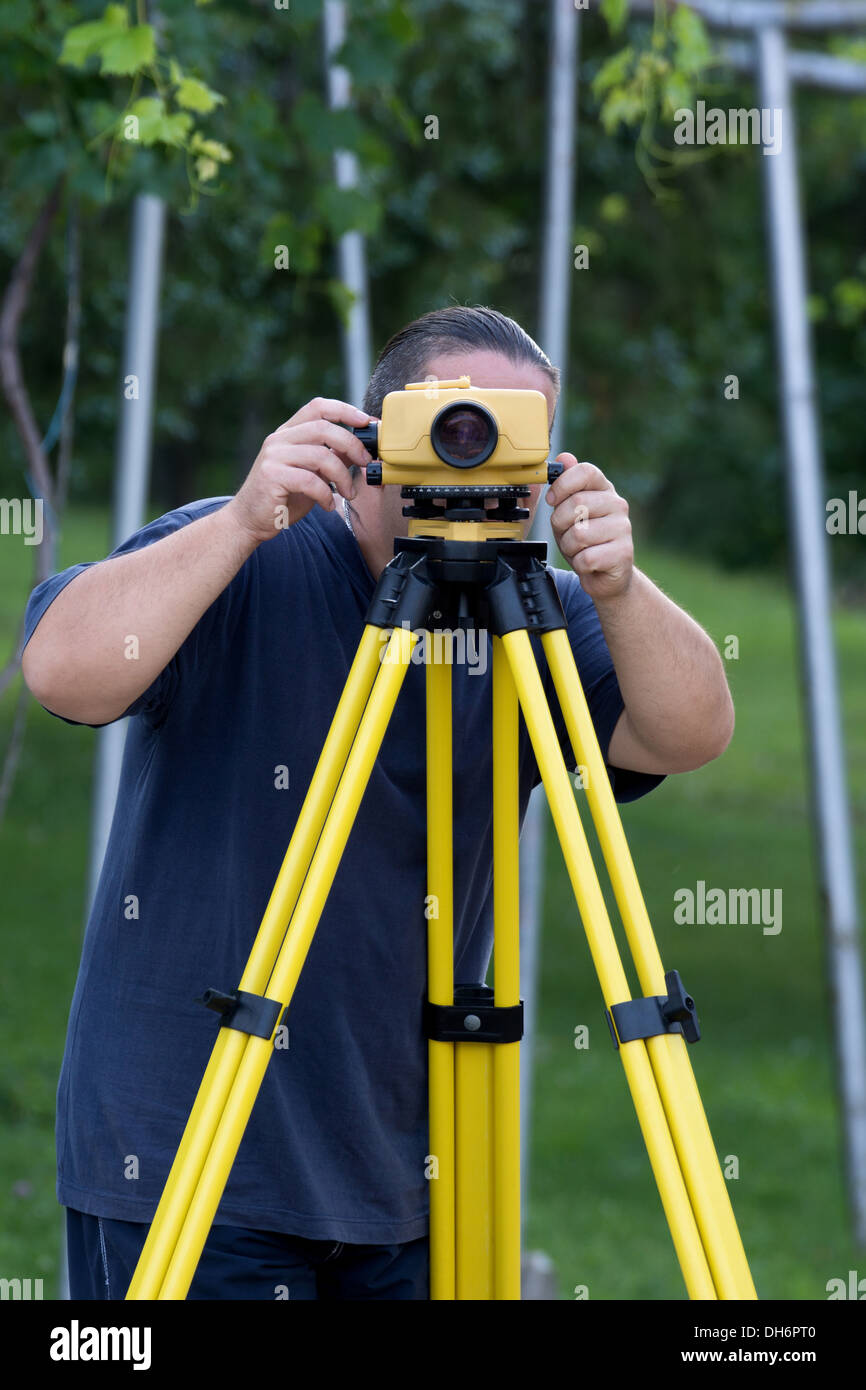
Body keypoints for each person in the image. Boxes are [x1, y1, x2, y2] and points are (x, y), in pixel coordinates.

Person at [21, 306, 734, 1301]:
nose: (475, 457)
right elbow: (61, 674)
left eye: (509, 440)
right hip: (183, 1165)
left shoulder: (536, 611)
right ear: (368, 442)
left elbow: (688, 731)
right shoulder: (248, 554)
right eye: (449, 424)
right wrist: (238, 517)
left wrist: (616, 584)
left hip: (414, 1177)